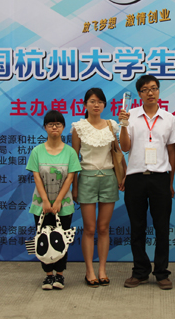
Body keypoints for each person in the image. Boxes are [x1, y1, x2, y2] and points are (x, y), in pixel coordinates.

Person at [118, 74, 175, 290]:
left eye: (154, 88)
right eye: (145, 90)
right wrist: (123, 125)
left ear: (159, 91)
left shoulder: (169, 118)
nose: (150, 93)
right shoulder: (130, 115)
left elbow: (171, 151)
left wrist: (170, 181)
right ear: (139, 94)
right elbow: (125, 147)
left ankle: (161, 273)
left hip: (160, 178)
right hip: (135, 178)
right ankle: (140, 272)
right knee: (137, 227)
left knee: (162, 227)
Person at [71, 88, 126, 287]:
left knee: (103, 228)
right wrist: (74, 187)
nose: (96, 105)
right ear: (85, 104)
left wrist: (123, 175)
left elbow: (117, 151)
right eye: (92, 101)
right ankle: (89, 271)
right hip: (87, 178)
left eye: (100, 102)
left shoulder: (111, 125)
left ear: (104, 105)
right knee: (89, 228)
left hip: (109, 178)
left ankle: (102, 270)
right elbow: (74, 159)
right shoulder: (78, 127)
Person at [26, 110, 81, 290]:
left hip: (63, 204)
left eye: (58, 124)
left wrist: (57, 202)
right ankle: (48, 275)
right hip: (41, 204)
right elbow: (36, 177)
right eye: (50, 124)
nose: (54, 127)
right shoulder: (37, 151)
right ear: (45, 127)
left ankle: (60, 275)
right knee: (43, 238)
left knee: (61, 239)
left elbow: (70, 178)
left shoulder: (70, 152)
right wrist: (45, 201)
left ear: (63, 127)